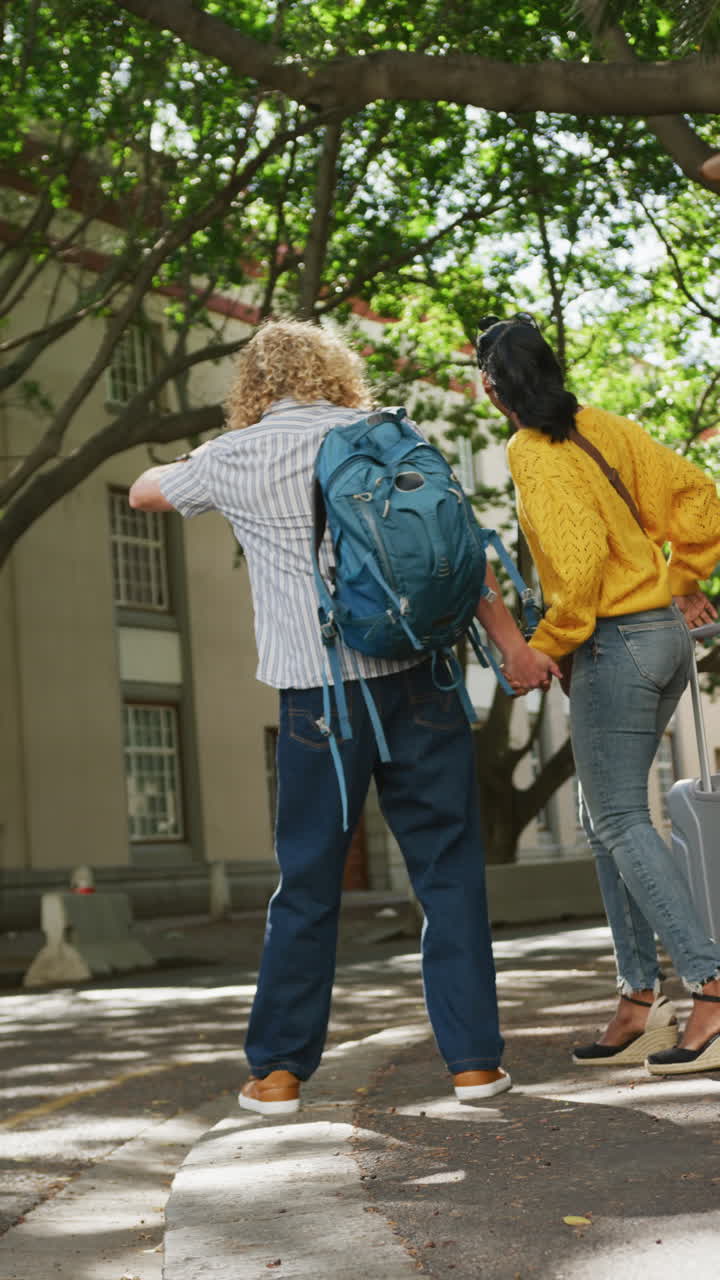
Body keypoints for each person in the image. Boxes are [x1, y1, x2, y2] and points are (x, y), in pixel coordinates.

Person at [129, 317, 557, 1113]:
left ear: (254, 384)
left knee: (308, 881)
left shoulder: (234, 457)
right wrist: (512, 651)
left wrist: (203, 461)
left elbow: (143, 492)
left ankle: (281, 1072)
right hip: (422, 679)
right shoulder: (385, 433)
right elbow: (458, 555)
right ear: (336, 370)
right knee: (450, 873)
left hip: (320, 697)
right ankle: (473, 1066)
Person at [475, 312, 720, 1077]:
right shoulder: (605, 427)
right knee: (603, 818)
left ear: (492, 388)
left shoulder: (530, 451)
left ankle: (709, 985)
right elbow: (701, 499)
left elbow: (577, 569)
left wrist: (541, 646)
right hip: (660, 638)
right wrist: (680, 582)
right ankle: (636, 1001)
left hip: (614, 640)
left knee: (615, 815)